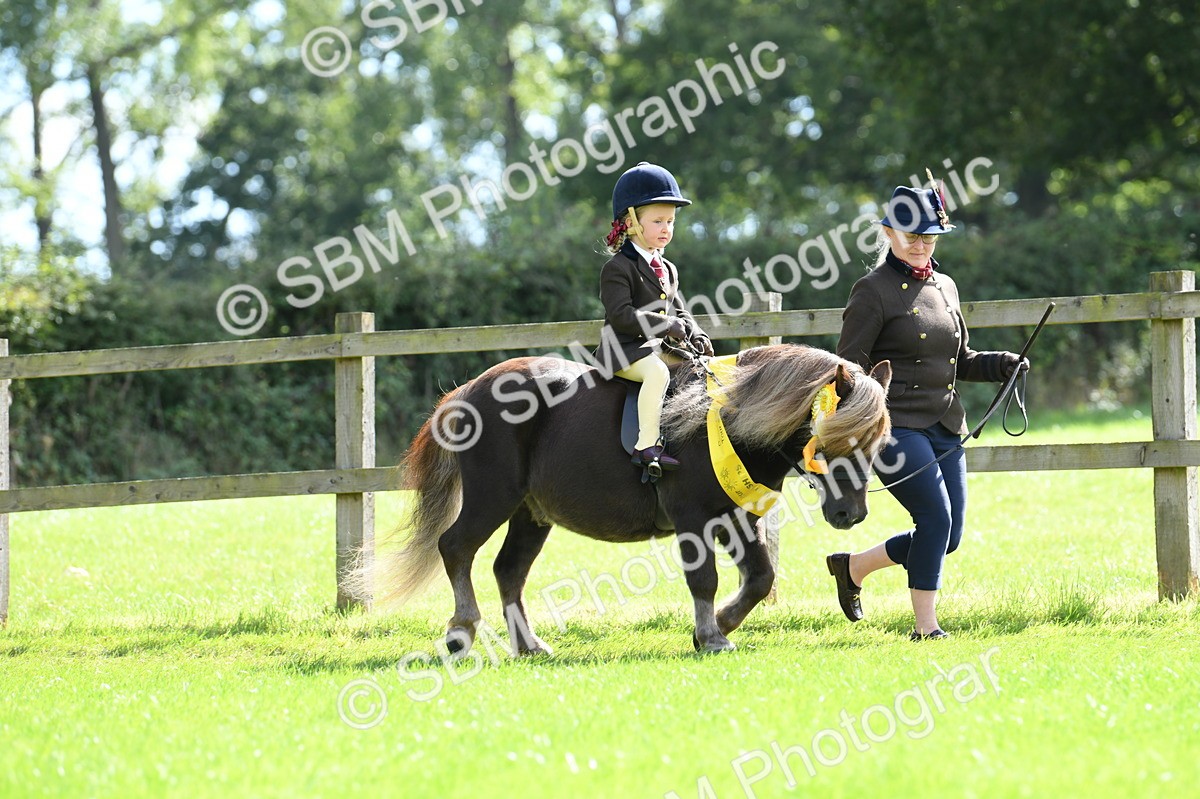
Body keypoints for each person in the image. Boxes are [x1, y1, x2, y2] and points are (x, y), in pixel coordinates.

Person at [826, 178, 1028, 640]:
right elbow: (848, 369)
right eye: (912, 236)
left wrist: (1003, 365)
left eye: (929, 236)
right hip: (894, 429)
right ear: (889, 235)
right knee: (934, 520)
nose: (921, 245)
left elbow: (960, 361)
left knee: (949, 536)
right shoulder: (871, 290)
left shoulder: (946, 286)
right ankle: (926, 628)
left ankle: (853, 568)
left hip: (944, 423)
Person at [594, 161, 714, 470]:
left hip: (656, 349)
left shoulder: (668, 268)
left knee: (699, 371)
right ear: (632, 221)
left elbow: (680, 309)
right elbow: (621, 316)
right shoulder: (617, 268)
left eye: (671, 222)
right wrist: (668, 326)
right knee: (657, 374)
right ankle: (646, 446)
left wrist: (696, 333)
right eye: (658, 221)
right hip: (623, 352)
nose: (666, 229)